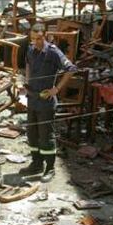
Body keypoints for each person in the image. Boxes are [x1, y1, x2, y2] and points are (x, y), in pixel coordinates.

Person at [19, 23, 77, 182]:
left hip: (46, 101)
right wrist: (26, 82)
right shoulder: (31, 49)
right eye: (32, 39)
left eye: (38, 39)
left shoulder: (53, 52)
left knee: (46, 136)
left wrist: (56, 89)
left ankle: (50, 168)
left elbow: (71, 69)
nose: (35, 42)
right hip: (32, 99)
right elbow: (28, 64)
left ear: (45, 36)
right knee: (32, 134)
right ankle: (36, 164)